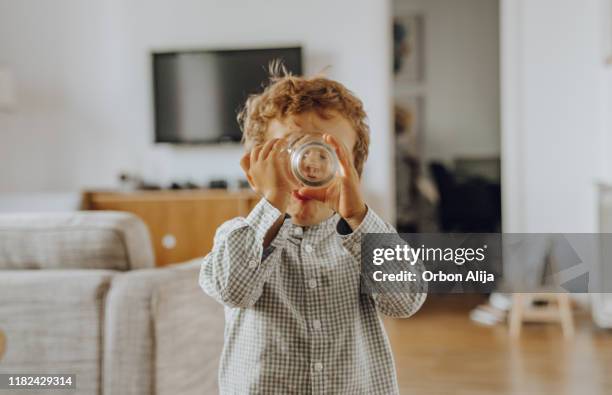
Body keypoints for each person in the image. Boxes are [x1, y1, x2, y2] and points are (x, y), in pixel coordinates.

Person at [199, 63, 426, 394]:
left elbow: (405, 302)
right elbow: (234, 290)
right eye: (289, 150)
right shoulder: (238, 236)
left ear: (353, 171)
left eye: (328, 153)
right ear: (256, 168)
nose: (308, 164)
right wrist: (274, 200)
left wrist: (358, 216)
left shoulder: (368, 237)